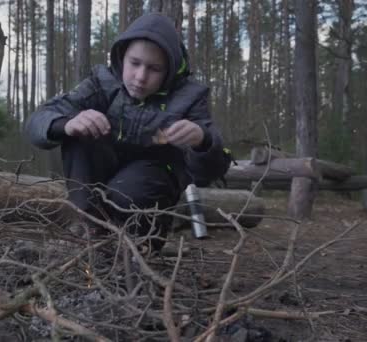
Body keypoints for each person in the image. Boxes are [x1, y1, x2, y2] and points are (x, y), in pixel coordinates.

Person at [26, 13, 229, 250]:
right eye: (135, 63)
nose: (141, 77)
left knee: (128, 190)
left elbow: (213, 169)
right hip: (93, 192)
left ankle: (130, 256)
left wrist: (202, 141)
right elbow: (37, 122)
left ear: (169, 70)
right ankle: (84, 233)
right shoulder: (101, 83)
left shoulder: (190, 97)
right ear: (123, 57)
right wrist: (65, 124)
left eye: (154, 68)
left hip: (147, 201)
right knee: (79, 129)